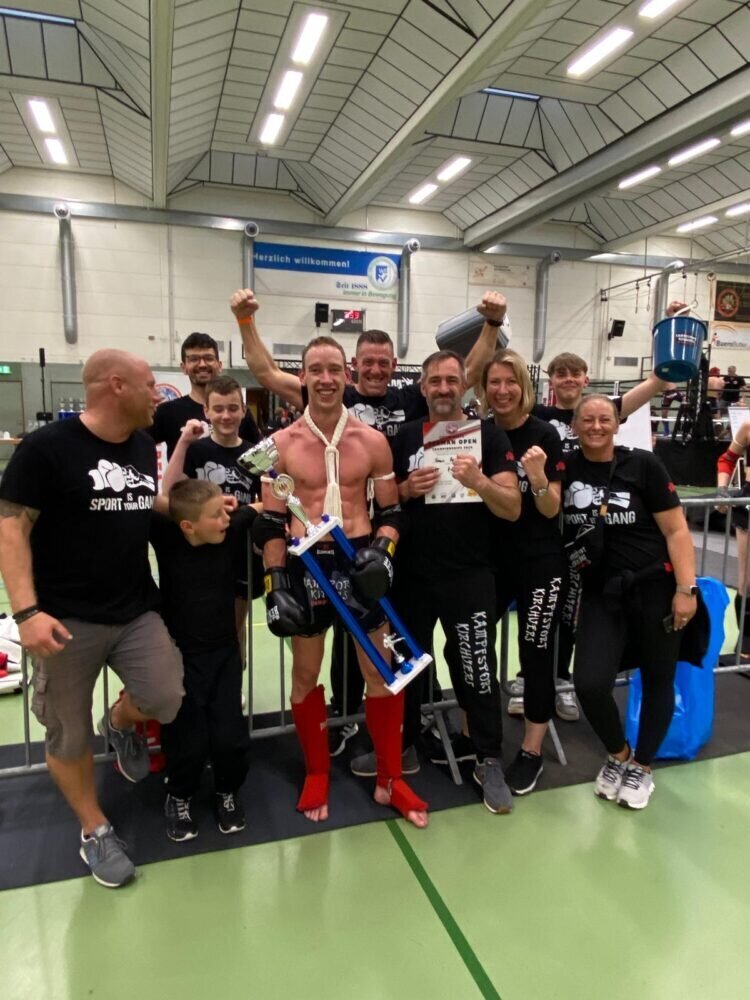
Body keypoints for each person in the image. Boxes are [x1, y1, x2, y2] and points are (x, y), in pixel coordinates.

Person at [230, 286, 507, 757]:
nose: (374, 370)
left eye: (383, 362)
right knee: (318, 666)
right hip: (312, 558)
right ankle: (338, 733)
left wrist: (492, 325)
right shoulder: (317, 402)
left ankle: (398, 757)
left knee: (383, 663)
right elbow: (264, 372)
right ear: (351, 368)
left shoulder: (410, 400)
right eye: (367, 363)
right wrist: (245, 322)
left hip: (371, 549)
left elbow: (465, 373)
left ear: (393, 366)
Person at [0, 350, 184, 887]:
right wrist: (27, 613)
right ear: (116, 385)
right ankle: (94, 829)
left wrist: (200, 511)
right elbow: (11, 529)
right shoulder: (46, 449)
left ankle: (119, 723)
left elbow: (141, 501)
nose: (158, 396)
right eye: (150, 385)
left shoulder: (142, 445)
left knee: (166, 696)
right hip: (64, 619)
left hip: (134, 609)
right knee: (67, 733)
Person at [255, 335, 428, 828]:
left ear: (347, 374)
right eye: (317, 370)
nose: (327, 379)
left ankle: (390, 779)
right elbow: (269, 522)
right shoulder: (278, 446)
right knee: (305, 675)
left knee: (382, 673)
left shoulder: (372, 441)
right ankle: (316, 772)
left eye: (335, 370)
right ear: (303, 376)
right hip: (305, 567)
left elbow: (391, 512)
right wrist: (275, 583)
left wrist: (383, 552)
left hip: (359, 561)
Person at [387, 350, 521, 813]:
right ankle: (401, 746)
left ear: (463, 385)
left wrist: (479, 481)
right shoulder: (405, 436)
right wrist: (406, 489)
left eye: (451, 380)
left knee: (476, 668)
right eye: (435, 381)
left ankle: (488, 759)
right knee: (405, 667)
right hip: (412, 576)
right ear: (422, 387)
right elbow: (382, 499)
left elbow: (512, 507)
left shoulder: (490, 435)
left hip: (470, 575)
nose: (443, 388)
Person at [562, 395, 697, 809]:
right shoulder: (565, 469)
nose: (596, 426)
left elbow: (676, 531)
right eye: (587, 419)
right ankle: (618, 754)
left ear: (617, 424)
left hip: (656, 589)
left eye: (605, 419)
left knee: (658, 678)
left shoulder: (643, 465)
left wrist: (685, 589)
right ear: (574, 425)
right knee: (589, 683)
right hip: (601, 594)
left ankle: (642, 766)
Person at [481, 349, 566, 795]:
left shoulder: (543, 434)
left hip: (539, 560)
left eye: (510, 381)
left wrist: (536, 477)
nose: (502, 390)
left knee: (535, 652)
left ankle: (532, 750)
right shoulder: (480, 432)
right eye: (494, 382)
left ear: (523, 386)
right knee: (474, 645)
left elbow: (551, 508)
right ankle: (476, 735)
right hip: (491, 559)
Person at [150, 480, 254, 841]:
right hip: (181, 658)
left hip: (224, 654)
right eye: (215, 515)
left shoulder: (230, 528)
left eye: (224, 512)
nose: (225, 519)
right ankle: (179, 795)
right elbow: (147, 497)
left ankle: (228, 790)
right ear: (187, 526)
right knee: (187, 739)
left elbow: (261, 507)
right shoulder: (166, 538)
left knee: (229, 735)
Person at [148, 332, 260, 458]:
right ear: (183, 367)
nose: (202, 364)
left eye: (208, 358)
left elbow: (259, 456)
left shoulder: (237, 413)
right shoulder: (167, 412)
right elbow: (137, 444)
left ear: (219, 365)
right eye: (194, 359)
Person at [717, 421, 750, 638]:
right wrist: (722, 490)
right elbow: (727, 459)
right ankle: (745, 640)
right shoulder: (748, 427)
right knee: (746, 580)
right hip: (748, 506)